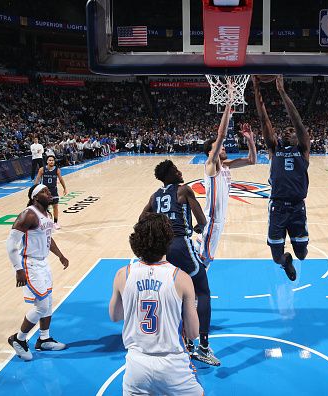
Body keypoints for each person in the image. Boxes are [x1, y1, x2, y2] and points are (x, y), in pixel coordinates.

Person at [109, 213, 203, 395]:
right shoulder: (181, 278)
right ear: (168, 240)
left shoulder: (123, 274)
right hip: (172, 366)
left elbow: (115, 316)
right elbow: (193, 333)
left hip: (137, 366)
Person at [140, 160, 220, 366]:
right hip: (180, 246)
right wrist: (197, 228)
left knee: (180, 295)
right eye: (176, 170)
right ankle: (202, 346)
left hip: (162, 251)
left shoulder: (154, 196)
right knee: (202, 291)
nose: (180, 172)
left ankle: (185, 342)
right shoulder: (184, 190)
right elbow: (202, 220)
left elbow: (141, 220)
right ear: (169, 175)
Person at [252, 75, 310, 281]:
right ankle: (286, 262)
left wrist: (282, 92)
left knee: (302, 254)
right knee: (277, 257)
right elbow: (263, 120)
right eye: (285, 130)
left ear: (298, 136)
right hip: (278, 207)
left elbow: (298, 122)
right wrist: (256, 87)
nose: (288, 130)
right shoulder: (274, 149)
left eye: (292, 130)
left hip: (296, 207)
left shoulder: (303, 149)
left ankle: (294, 257)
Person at [6, 184, 70, 361]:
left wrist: (60, 256)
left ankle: (44, 339)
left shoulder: (46, 214)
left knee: (48, 302)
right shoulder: (29, 214)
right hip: (30, 264)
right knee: (41, 306)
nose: (48, 193)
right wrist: (18, 269)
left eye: (49, 191)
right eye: (44, 191)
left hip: (43, 264)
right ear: (35, 197)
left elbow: (48, 239)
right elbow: (10, 244)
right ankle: (18, 339)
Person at [199, 100, 256, 265]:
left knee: (203, 256)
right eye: (219, 147)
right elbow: (221, 135)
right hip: (213, 220)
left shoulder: (226, 166)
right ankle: (192, 289)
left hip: (219, 220)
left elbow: (252, 160)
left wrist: (250, 140)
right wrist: (228, 110)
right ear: (212, 151)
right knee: (205, 261)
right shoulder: (211, 165)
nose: (223, 148)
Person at [34, 155, 67, 230]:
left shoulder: (57, 170)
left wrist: (65, 188)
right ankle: (45, 222)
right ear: (47, 161)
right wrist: (35, 189)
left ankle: (55, 223)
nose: (51, 161)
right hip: (44, 191)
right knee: (44, 208)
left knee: (55, 206)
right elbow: (38, 179)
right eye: (50, 160)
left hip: (53, 190)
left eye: (52, 160)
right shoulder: (42, 169)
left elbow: (61, 179)